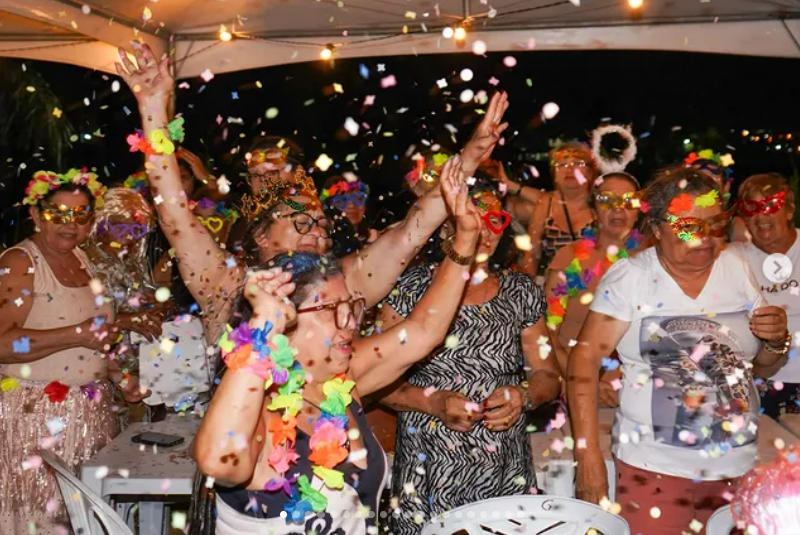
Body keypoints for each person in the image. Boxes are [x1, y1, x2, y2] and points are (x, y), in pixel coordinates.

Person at [114, 42, 509, 347]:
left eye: (320, 223)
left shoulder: (345, 282)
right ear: (262, 235)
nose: (318, 232)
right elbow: (174, 215)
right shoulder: (225, 283)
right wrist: (152, 108)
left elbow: (411, 231)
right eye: (302, 222)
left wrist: (470, 158)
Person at [192, 156, 483, 534]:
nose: (351, 323)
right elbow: (217, 460)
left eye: (352, 308)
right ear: (287, 320)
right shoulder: (257, 401)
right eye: (333, 310)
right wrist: (263, 325)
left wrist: (465, 240)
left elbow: (424, 331)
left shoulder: (342, 380)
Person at [568, 167, 790, 535]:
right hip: (656, 473)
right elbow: (584, 360)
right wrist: (588, 455)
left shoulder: (735, 269)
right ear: (657, 228)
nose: (705, 238)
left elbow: (763, 366)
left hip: (736, 468)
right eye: (689, 227)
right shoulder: (632, 278)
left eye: (715, 224)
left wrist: (776, 339)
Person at [377, 176, 562, 534]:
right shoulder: (409, 289)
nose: (485, 232)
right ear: (446, 227)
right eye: (473, 219)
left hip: (504, 466)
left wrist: (523, 395)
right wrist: (433, 402)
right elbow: (375, 382)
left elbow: (549, 376)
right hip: (428, 466)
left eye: (495, 220)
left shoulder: (520, 291)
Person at [0, 169, 146, 534]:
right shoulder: (19, 262)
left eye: (81, 215)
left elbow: (95, 336)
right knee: (41, 520)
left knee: (83, 520)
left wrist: (119, 376)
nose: (70, 224)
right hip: (35, 418)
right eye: (58, 213)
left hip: (90, 414)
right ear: (36, 215)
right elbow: (3, 344)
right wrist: (74, 334)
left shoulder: (83, 259)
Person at [544, 172, 642, 406]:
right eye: (607, 200)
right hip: (572, 385)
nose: (618, 209)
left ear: (639, 209)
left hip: (637, 390)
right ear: (593, 209)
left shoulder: (654, 259)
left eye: (628, 200)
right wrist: (583, 382)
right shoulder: (569, 257)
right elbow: (546, 333)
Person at [729, 173, 800, 419]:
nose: (761, 216)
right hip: (758, 383)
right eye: (752, 208)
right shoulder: (730, 258)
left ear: (789, 211)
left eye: (770, 205)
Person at [518, 142, 598, 278]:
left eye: (577, 163)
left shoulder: (600, 204)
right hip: (554, 285)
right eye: (562, 165)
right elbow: (531, 255)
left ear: (590, 173)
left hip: (596, 284)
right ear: (554, 175)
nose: (569, 169)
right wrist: (528, 288)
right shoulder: (545, 203)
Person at [321, 175, 378, 256]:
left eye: (358, 199)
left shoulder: (377, 239)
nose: (351, 205)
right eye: (341, 201)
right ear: (328, 206)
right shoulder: (321, 243)